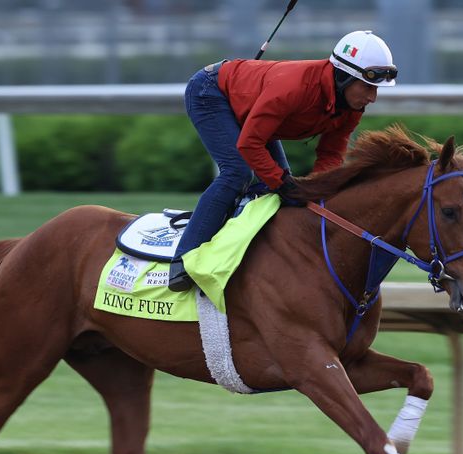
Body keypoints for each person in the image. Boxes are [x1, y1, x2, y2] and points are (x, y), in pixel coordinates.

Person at [169, 30, 398, 292]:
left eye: (376, 89)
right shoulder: (294, 89)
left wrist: (319, 190)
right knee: (239, 173)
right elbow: (249, 143)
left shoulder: (351, 107)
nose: (373, 97)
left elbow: (330, 155)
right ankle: (182, 261)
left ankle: (249, 248)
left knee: (283, 187)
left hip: (250, 104)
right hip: (210, 92)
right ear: (344, 77)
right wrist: (282, 182)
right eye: (368, 87)